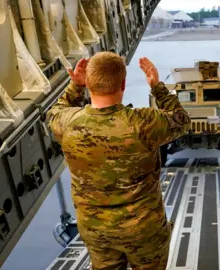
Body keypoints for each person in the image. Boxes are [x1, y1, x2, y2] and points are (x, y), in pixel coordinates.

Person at [47, 52, 191, 269]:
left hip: (96, 230)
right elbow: (182, 121)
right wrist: (157, 87)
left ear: (88, 82)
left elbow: (54, 113)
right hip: (143, 230)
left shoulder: (66, 123)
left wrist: (75, 86)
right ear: (123, 83)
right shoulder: (144, 122)